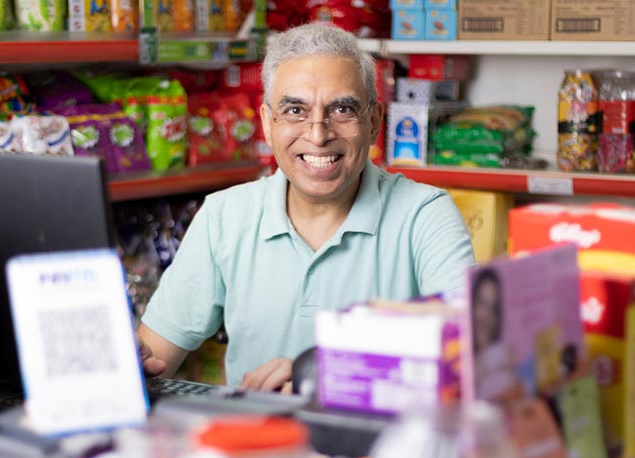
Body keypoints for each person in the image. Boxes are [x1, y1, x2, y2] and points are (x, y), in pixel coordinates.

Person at [138, 22, 475, 391]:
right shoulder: (223, 217)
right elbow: (155, 357)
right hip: (257, 442)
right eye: (295, 111)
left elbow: (470, 357)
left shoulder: (424, 215)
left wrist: (323, 374)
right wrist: (128, 362)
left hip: (379, 444)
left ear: (374, 121)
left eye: (342, 109)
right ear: (267, 124)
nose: (318, 134)